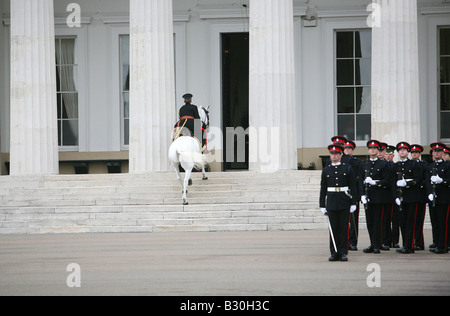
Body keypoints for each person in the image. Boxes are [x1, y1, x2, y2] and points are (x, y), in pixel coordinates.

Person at [319, 144, 358, 261]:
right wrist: (322, 204)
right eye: (332, 153)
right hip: (331, 201)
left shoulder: (348, 168)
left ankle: (343, 252)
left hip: (344, 200)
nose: (334, 155)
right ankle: (334, 252)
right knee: (333, 228)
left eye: (336, 153)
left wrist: (353, 202)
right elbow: (323, 188)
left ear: (341, 155)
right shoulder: (326, 170)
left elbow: (353, 186)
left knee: (343, 228)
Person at [359, 140, 391, 254]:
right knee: (370, 222)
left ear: (378, 151)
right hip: (368, 197)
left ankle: (377, 244)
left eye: (375, 148)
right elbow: (360, 181)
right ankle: (372, 244)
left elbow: (387, 181)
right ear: (368, 150)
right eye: (371, 148)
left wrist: (375, 183)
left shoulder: (384, 164)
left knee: (378, 222)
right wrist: (362, 194)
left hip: (379, 196)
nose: (372, 150)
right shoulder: (364, 164)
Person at [392, 142, 423, 254]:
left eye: (404, 150)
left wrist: (408, 183)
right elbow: (392, 183)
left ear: (408, 152)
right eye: (400, 150)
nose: (402, 152)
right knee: (402, 222)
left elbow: (418, 179)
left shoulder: (414, 164)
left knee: (411, 222)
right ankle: (406, 244)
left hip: (412, 197)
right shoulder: (396, 166)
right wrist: (395, 196)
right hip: (401, 198)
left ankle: (410, 245)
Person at [425, 142, 450, 254]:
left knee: (443, 222)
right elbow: (427, 181)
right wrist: (429, 193)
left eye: (438, 151)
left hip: (444, 198)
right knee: (435, 222)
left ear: (442, 152)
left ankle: (443, 245)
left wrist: (442, 181)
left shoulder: (447, 165)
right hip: (433, 198)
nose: (436, 153)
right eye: (435, 151)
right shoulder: (430, 166)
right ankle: (437, 242)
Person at [343, 140, 362, 251]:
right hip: (343, 192)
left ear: (353, 150)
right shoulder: (341, 159)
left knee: (354, 219)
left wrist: (359, 195)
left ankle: (353, 242)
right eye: (346, 148)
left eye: (349, 148)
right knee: (344, 219)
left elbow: (359, 179)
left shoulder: (356, 162)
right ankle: (344, 241)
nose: (347, 150)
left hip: (352, 192)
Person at [410, 144, 427, 250]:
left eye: (416, 152)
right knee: (412, 220)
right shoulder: (409, 164)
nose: (414, 154)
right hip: (411, 194)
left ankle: (419, 242)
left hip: (421, 195)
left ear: (419, 154)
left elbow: (425, 179)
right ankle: (413, 241)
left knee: (419, 220)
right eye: (412, 152)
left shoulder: (424, 165)